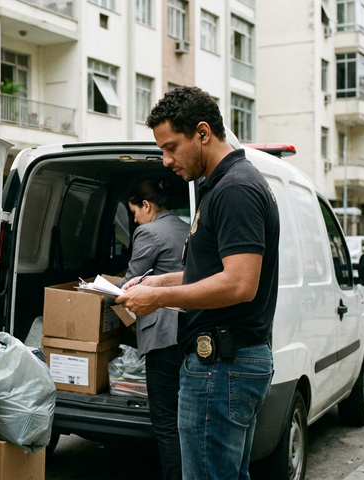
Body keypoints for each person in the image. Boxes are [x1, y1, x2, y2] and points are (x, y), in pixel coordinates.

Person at [117, 86, 280, 480]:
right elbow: (209, 273)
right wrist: (155, 283)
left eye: (171, 147)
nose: (165, 160)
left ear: (203, 133)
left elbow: (240, 283)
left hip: (221, 366)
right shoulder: (221, 186)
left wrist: (158, 301)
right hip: (226, 364)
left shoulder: (235, 188)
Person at [116, 179, 188, 480]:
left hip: (162, 334)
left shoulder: (148, 232)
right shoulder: (185, 228)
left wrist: (100, 291)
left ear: (147, 206)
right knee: (183, 416)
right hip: (187, 330)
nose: (134, 221)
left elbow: (132, 282)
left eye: (134, 212)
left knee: (165, 420)